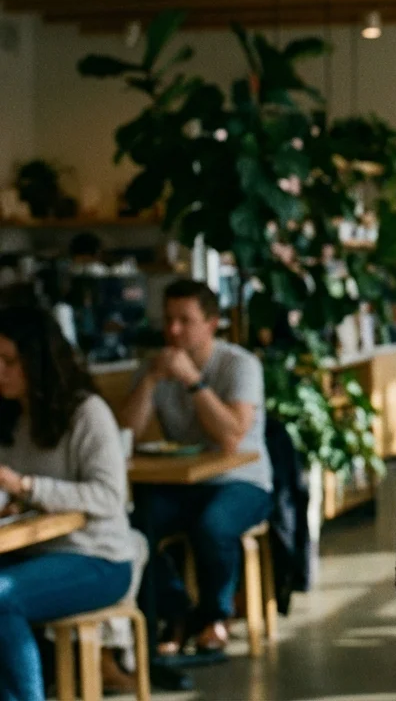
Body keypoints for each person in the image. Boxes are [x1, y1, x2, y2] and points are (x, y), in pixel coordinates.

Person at [117, 279, 272, 655]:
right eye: (168, 320)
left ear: (212, 323)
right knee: (131, 527)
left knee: (213, 525)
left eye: (185, 321)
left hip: (243, 480)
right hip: (185, 482)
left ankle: (215, 617)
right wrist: (152, 379)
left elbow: (232, 436)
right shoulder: (157, 365)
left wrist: (192, 380)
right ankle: (176, 610)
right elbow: (126, 433)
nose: (173, 330)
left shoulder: (240, 365)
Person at [0, 307, 135, 701]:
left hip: (98, 559)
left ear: (37, 360)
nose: (0, 372)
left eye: (8, 361)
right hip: (35, 552)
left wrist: (25, 486)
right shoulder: (11, 417)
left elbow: (110, 496)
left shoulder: (87, 413)